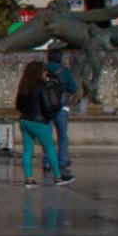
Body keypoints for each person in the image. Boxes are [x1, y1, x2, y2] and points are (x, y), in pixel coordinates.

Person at [15, 60, 68, 188]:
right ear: (39, 73)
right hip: (38, 122)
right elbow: (47, 106)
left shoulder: (23, 87)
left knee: (27, 151)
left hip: (24, 121)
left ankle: (29, 179)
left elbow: (18, 105)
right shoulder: (42, 86)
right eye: (44, 71)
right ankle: (58, 177)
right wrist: (53, 111)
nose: (45, 73)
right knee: (50, 148)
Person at [44, 49, 79, 178]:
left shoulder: (43, 70)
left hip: (45, 107)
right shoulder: (65, 71)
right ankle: (62, 160)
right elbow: (74, 88)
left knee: (46, 136)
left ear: (48, 57)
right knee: (62, 135)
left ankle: (47, 161)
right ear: (60, 58)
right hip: (61, 107)